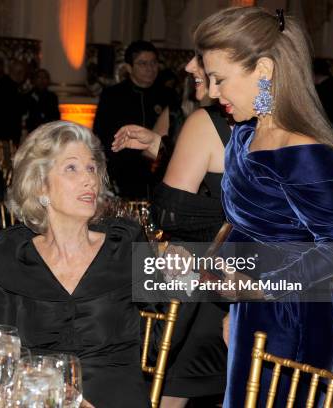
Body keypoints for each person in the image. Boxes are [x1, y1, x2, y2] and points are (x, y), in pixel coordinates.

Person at [193, 7, 333, 407]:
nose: (213, 92)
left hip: (294, 320)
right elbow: (250, 224)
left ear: (264, 70)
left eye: (220, 79)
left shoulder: (300, 151)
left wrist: (262, 289)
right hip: (257, 313)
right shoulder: (246, 135)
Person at [0, 121, 151, 408]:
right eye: (71, 168)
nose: (89, 180)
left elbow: (173, 321)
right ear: (40, 187)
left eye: (91, 168)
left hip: (114, 397)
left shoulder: (126, 244)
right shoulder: (10, 254)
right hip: (38, 397)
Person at [113, 55, 228, 407]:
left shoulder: (207, 120)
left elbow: (169, 214)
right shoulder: (284, 123)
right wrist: (162, 148)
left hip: (199, 293)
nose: (190, 66)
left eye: (200, 55)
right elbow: (229, 187)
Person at [93, 40, 174, 199]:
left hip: (161, 176)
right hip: (124, 175)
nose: (150, 69)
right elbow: (101, 135)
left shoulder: (168, 95)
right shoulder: (112, 95)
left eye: (153, 63)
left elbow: (175, 136)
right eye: (143, 64)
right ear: (129, 67)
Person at [0, 59, 27, 145]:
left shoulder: (11, 86)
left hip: (8, 130)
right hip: (6, 131)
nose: (22, 75)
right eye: (19, 72)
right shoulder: (5, 86)